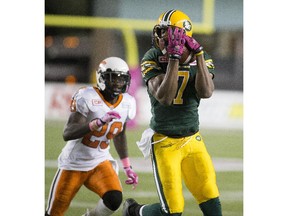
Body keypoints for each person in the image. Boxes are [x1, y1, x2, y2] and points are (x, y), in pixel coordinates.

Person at [122, 9, 222, 216]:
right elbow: (165, 98)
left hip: (193, 140)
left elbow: (206, 92)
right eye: (159, 31)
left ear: (180, 35)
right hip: (164, 142)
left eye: (164, 31)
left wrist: (200, 56)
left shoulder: (200, 57)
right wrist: (174, 58)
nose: (159, 36)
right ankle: (134, 211)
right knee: (173, 211)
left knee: (212, 202)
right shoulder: (153, 57)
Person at [45, 57, 139, 216]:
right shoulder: (87, 96)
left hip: (99, 162)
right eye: (114, 78)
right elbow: (68, 133)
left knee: (114, 199)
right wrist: (97, 123)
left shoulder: (128, 102)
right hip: (74, 163)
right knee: (54, 213)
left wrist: (127, 166)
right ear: (102, 78)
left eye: (122, 79)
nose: (119, 83)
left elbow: (120, 134)